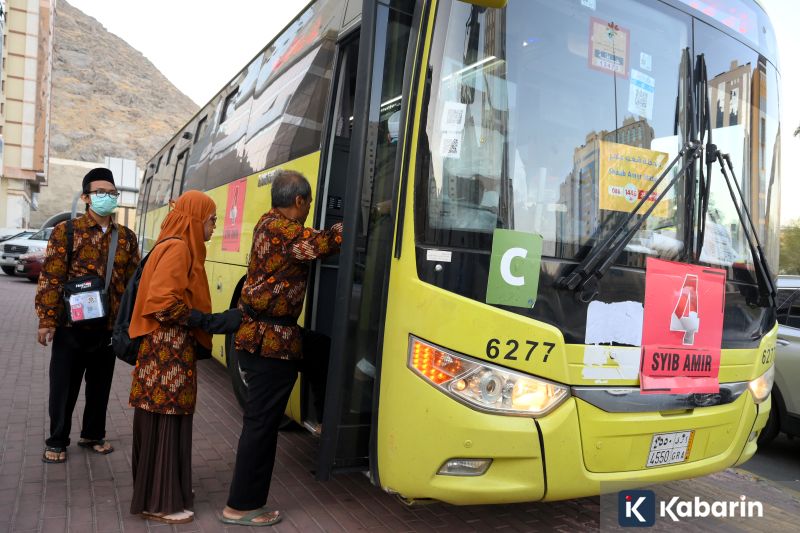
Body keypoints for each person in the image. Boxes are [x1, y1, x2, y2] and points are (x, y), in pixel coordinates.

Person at [220, 170, 343, 527]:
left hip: (276, 338)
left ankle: (320, 420)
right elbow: (319, 244)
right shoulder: (282, 230)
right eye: (307, 204)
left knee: (320, 349)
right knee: (261, 425)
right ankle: (241, 506)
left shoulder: (266, 222)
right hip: (269, 342)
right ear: (300, 201)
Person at [127, 190, 241, 525]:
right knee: (166, 421)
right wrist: (209, 321)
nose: (214, 227)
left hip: (164, 352)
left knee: (163, 422)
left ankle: (158, 496)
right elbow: (161, 303)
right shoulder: (178, 247)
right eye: (211, 220)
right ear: (195, 219)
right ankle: (160, 503)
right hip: (167, 354)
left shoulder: (175, 243)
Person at [36, 167, 140, 463]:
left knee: (99, 385)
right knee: (63, 387)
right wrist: (46, 320)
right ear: (86, 197)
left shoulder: (127, 238)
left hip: (108, 326)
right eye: (100, 193)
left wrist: (131, 322)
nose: (107, 197)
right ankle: (57, 440)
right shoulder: (67, 232)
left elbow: (133, 283)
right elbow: (52, 277)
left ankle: (92, 434)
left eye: (111, 193)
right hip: (71, 326)